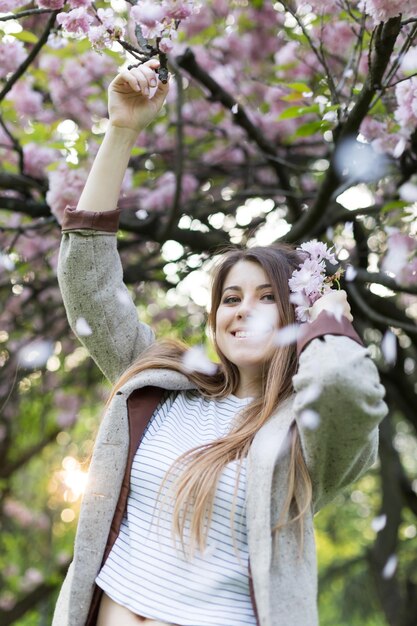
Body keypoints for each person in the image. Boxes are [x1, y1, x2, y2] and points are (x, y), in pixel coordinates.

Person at [53, 59, 388, 626]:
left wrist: (330, 312)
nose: (244, 312)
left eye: (266, 297)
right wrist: (122, 130)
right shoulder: (164, 386)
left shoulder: (308, 433)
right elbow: (88, 286)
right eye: (230, 299)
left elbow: (342, 383)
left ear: (297, 317)